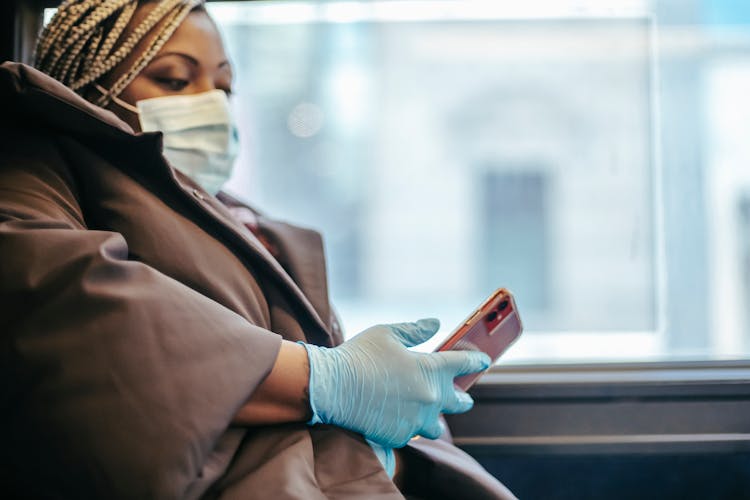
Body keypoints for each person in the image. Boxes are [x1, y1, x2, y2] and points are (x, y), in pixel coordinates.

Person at [0, 1, 517, 498]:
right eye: (175, 80)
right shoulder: (36, 175)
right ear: (83, 88)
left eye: (224, 86)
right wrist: (327, 383)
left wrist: (390, 425)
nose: (211, 104)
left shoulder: (250, 227)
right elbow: (82, 313)